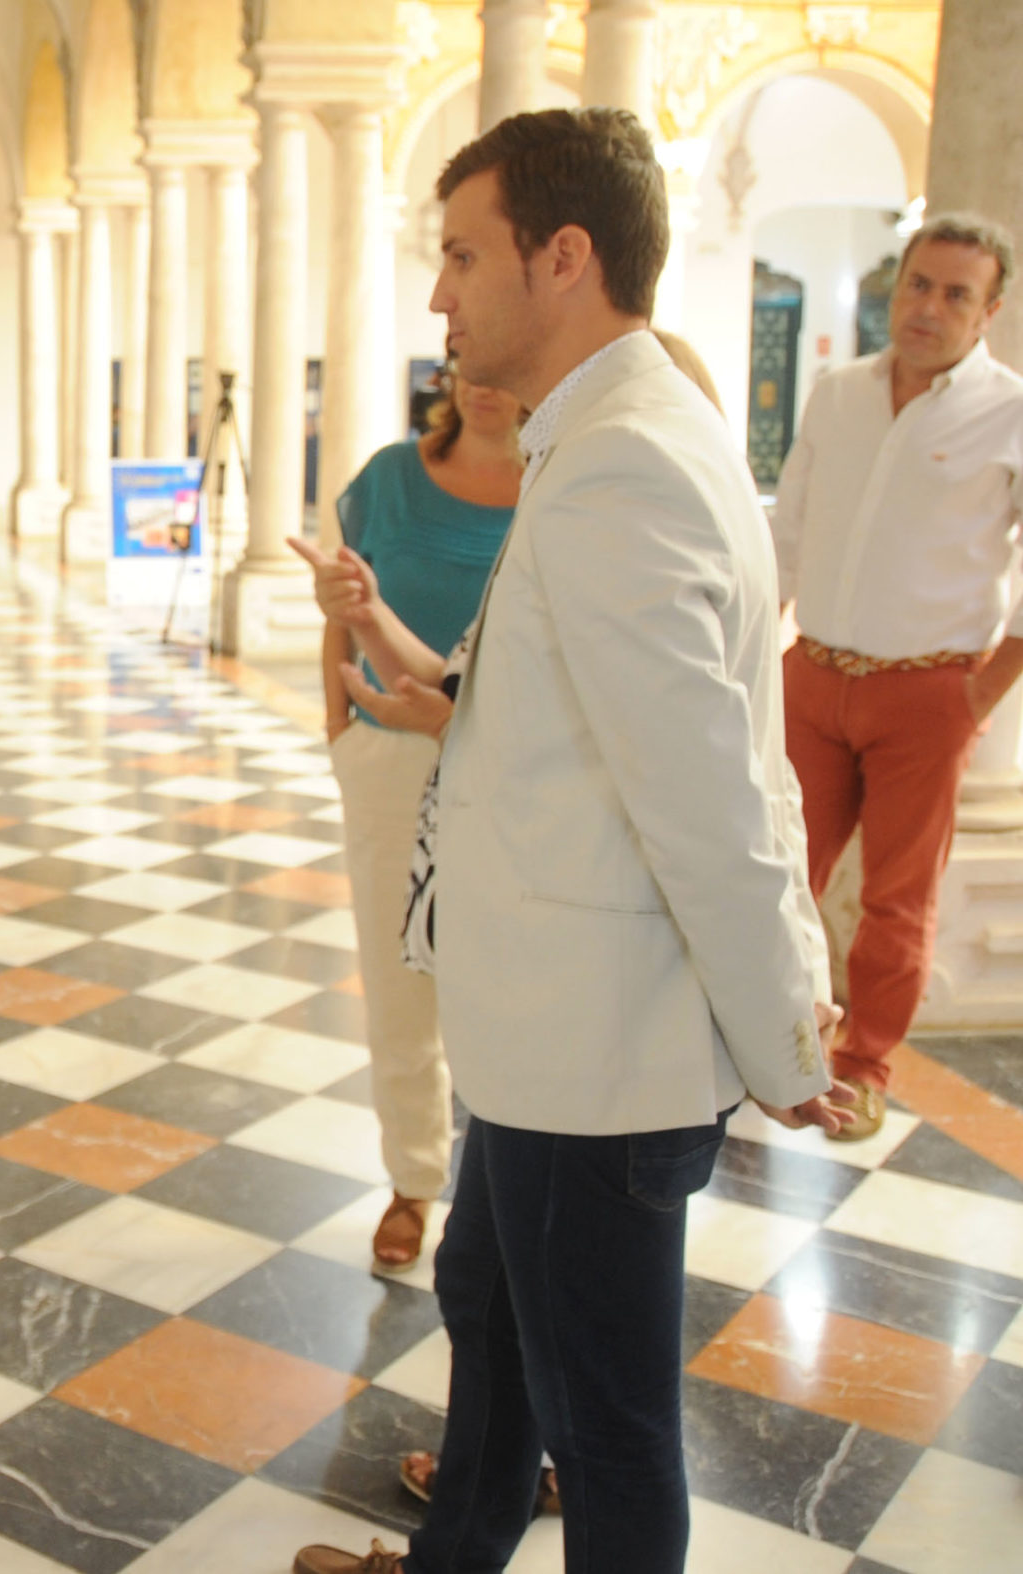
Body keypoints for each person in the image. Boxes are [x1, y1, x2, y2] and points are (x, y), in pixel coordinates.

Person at [290, 108, 850, 1574]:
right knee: (487, 1293)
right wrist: (448, 696)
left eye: (463, 254)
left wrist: (789, 1041)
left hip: (599, 1051)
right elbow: (599, 700)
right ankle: (453, 1552)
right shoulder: (612, 434)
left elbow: (713, 797)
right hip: (549, 1025)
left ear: (566, 256)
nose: (438, 293)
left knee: (609, 1427)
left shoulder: (622, 465)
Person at [772, 212, 1023, 1140]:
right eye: (918, 283)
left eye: (956, 293)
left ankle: (865, 1062)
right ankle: (766, 1043)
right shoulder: (837, 392)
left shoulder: (1012, 412)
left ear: (988, 310)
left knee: (897, 900)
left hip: (929, 693)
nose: (929, 306)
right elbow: (789, 531)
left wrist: (980, 692)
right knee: (775, 872)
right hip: (815, 674)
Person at [304, 365, 522, 1273]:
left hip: (516, 760)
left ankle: (504, 1185)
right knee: (400, 985)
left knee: (509, 984)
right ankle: (412, 1178)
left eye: (502, 374)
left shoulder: (563, 483)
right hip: (391, 760)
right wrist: (340, 730)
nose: (481, 384)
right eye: (465, 367)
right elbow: (343, 609)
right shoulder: (388, 480)